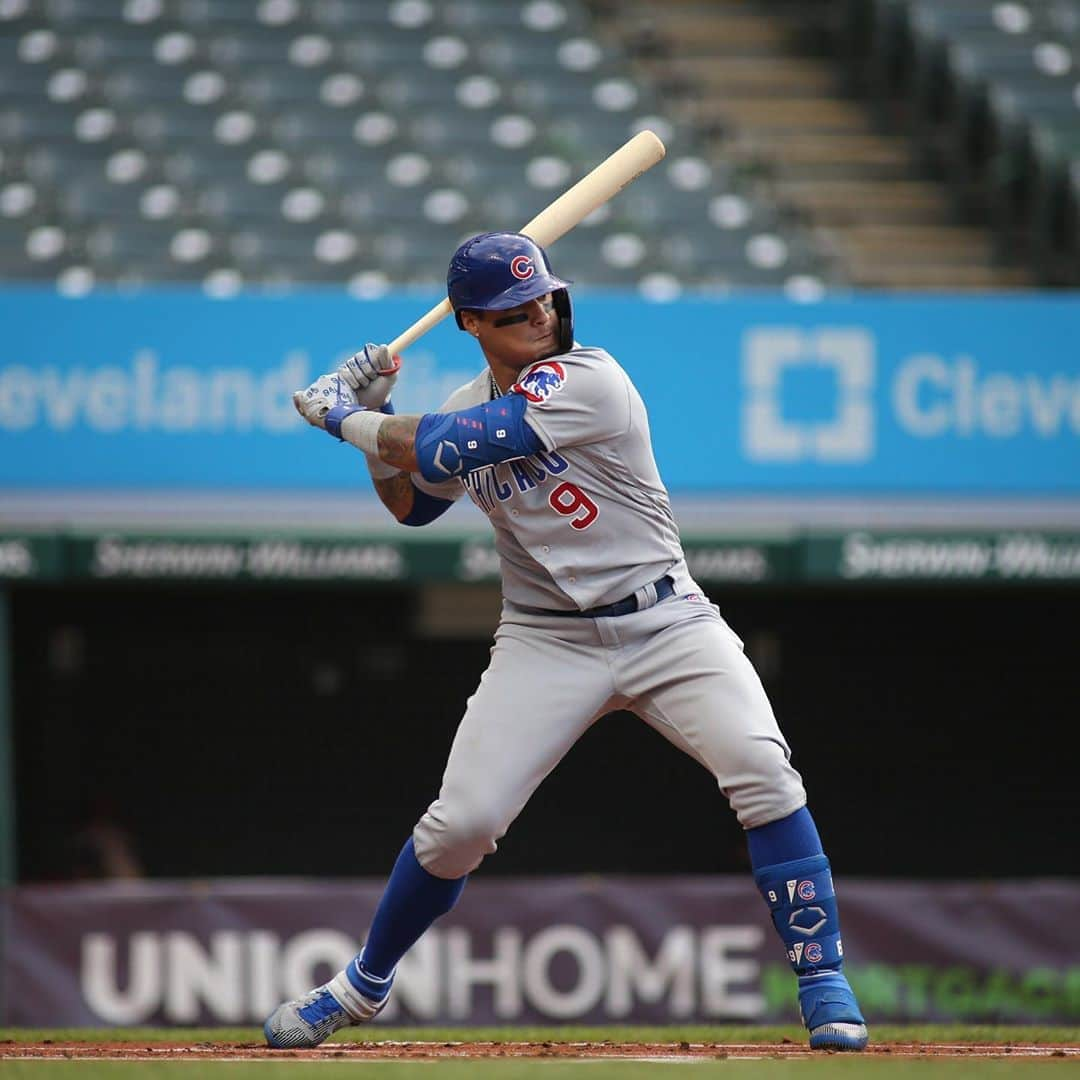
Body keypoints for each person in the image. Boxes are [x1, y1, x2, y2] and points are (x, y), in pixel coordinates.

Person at [264, 232, 868, 1051]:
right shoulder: (465, 396)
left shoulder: (591, 378)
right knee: (462, 824)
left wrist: (346, 416)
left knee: (762, 770)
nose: (539, 317)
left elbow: (455, 444)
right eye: (514, 312)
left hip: (666, 619)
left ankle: (823, 979)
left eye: (544, 299)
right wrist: (375, 432)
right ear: (471, 322)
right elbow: (415, 502)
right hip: (545, 638)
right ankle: (364, 985)